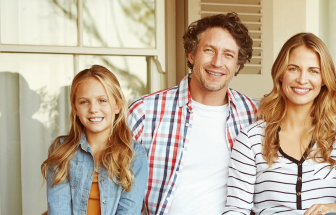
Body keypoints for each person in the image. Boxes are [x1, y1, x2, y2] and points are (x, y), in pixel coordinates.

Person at [127, 12, 259, 214]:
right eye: (209, 50)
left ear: (237, 65)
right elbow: (109, 180)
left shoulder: (254, 114)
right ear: (191, 54)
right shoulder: (144, 112)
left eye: (228, 55)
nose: (217, 62)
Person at [223, 33, 336, 215]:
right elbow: (235, 210)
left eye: (314, 71)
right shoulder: (250, 139)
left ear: (323, 80)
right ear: (281, 74)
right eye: (293, 69)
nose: (302, 79)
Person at [42, 65, 148, 215]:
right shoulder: (61, 151)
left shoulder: (134, 154)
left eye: (102, 100)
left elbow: (129, 211)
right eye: (84, 102)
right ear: (75, 109)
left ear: (117, 106)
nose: (93, 109)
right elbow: (59, 209)